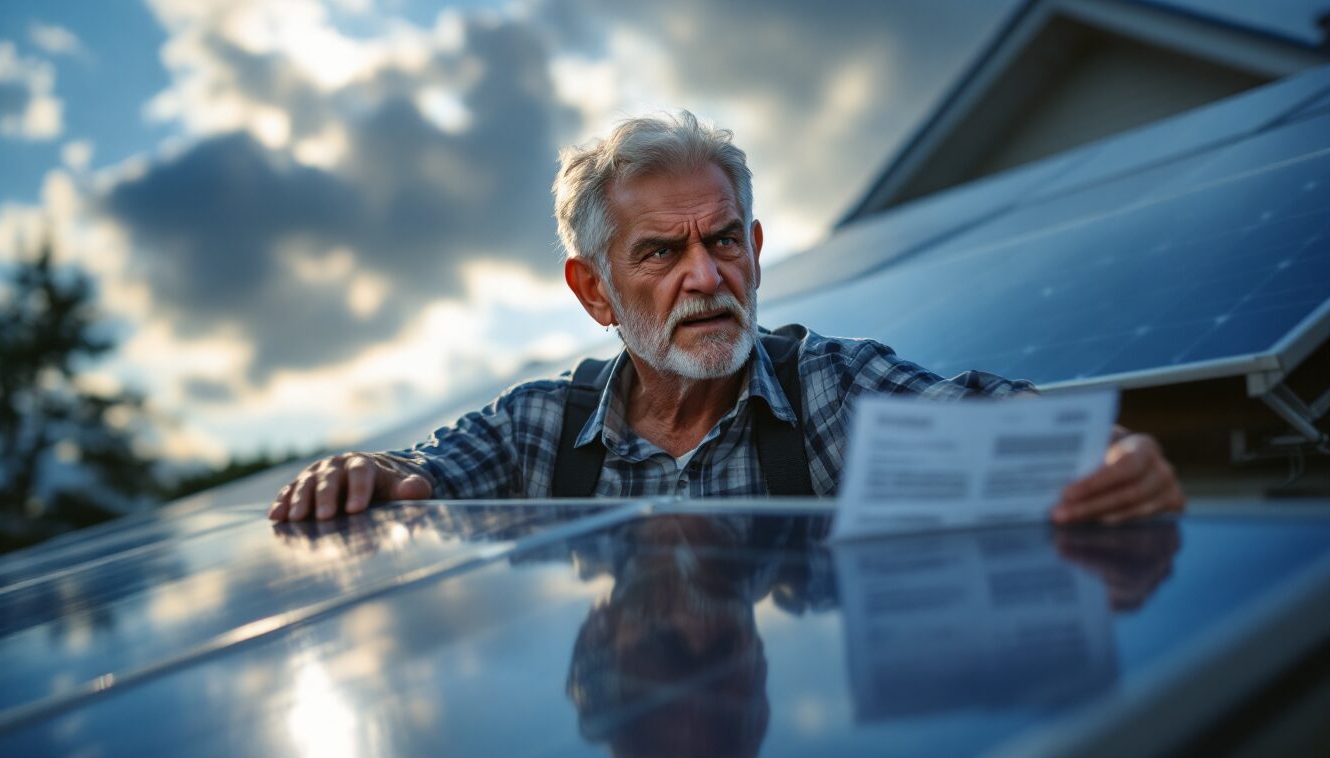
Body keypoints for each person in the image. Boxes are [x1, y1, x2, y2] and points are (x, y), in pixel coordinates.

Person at [269, 111, 1185, 524]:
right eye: (661, 253)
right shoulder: (538, 428)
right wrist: (366, 475)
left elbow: (993, 418)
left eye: (725, 241)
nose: (707, 277)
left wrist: (1102, 458)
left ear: (754, 244)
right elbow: (419, 474)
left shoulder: (827, 385)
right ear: (595, 293)